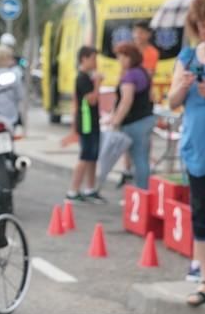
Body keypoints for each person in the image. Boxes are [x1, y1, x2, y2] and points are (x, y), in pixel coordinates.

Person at [168, 0, 205, 307]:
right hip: (198, 144)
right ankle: (204, 280)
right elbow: (172, 102)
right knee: (201, 211)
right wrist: (183, 86)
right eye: (201, 23)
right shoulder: (187, 58)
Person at [109, 42, 155, 190]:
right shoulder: (143, 72)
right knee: (143, 158)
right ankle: (144, 191)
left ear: (129, 57)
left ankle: (142, 193)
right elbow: (151, 96)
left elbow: (125, 101)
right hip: (146, 118)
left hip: (134, 122)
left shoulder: (129, 76)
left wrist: (115, 121)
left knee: (138, 159)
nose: (119, 60)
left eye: (121, 57)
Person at [66, 46, 106, 203]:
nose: (95, 62)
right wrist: (98, 83)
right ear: (84, 59)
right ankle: (72, 191)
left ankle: (90, 188)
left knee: (92, 157)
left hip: (93, 122)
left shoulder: (87, 77)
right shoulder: (82, 78)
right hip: (86, 123)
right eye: (93, 58)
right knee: (85, 156)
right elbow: (92, 99)